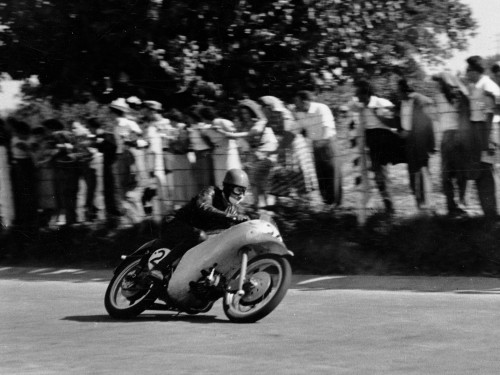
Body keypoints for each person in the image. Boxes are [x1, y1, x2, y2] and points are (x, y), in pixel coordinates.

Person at [148, 168, 251, 283]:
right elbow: (203, 206)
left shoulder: (233, 210)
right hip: (173, 223)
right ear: (227, 187)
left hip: (192, 238)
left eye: (244, 192)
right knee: (199, 235)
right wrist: (231, 217)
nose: (241, 195)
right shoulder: (211, 192)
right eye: (238, 190)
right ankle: (159, 269)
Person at [352, 80, 406, 215]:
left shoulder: (381, 103)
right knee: (378, 175)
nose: (356, 97)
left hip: (384, 138)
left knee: (382, 173)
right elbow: (350, 106)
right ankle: (389, 205)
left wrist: (379, 114)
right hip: (372, 140)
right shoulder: (361, 106)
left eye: (358, 94)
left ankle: (391, 206)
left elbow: (395, 120)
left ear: (366, 94)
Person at [259, 95, 320, 203]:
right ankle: (285, 205)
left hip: (294, 145)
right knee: (281, 175)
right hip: (283, 147)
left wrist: (277, 150)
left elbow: (289, 133)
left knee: (297, 174)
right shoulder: (269, 118)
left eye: (262, 108)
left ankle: (306, 204)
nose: (261, 111)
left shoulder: (283, 114)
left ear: (268, 107)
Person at [293, 90, 343, 207]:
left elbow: (326, 129)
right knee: (321, 176)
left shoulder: (321, 108)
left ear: (305, 101)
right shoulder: (299, 113)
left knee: (332, 174)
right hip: (315, 146)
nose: (295, 105)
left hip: (328, 144)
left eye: (297, 102)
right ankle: (326, 204)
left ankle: (337, 206)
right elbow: (295, 130)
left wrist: (319, 144)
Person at [464, 56, 500, 218]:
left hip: (488, 130)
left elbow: (489, 113)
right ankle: (489, 212)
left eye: (468, 70)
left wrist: (487, 141)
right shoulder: (477, 86)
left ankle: (492, 214)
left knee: (487, 171)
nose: (467, 74)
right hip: (480, 130)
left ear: (475, 70)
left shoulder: (486, 86)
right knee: (482, 171)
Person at [432, 72, 470, 217]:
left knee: (455, 174)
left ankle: (458, 204)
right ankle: (453, 205)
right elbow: (438, 116)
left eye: (439, 82)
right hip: (448, 136)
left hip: (454, 136)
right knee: (449, 174)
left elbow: (463, 115)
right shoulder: (441, 97)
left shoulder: (458, 96)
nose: (437, 85)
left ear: (445, 82)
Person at [397, 79, 436, 212]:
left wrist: (432, 145)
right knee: (412, 173)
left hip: (421, 141)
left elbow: (428, 123)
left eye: (398, 91)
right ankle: (419, 203)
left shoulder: (422, 101)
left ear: (405, 90)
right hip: (408, 143)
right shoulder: (401, 103)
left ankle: (428, 204)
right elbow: (400, 121)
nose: (397, 93)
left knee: (423, 171)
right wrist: (402, 132)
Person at [198, 106, 243, 187]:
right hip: (217, 155)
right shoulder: (206, 127)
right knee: (220, 179)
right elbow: (208, 141)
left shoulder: (222, 122)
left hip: (228, 153)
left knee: (231, 175)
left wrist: (221, 131)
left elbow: (235, 136)